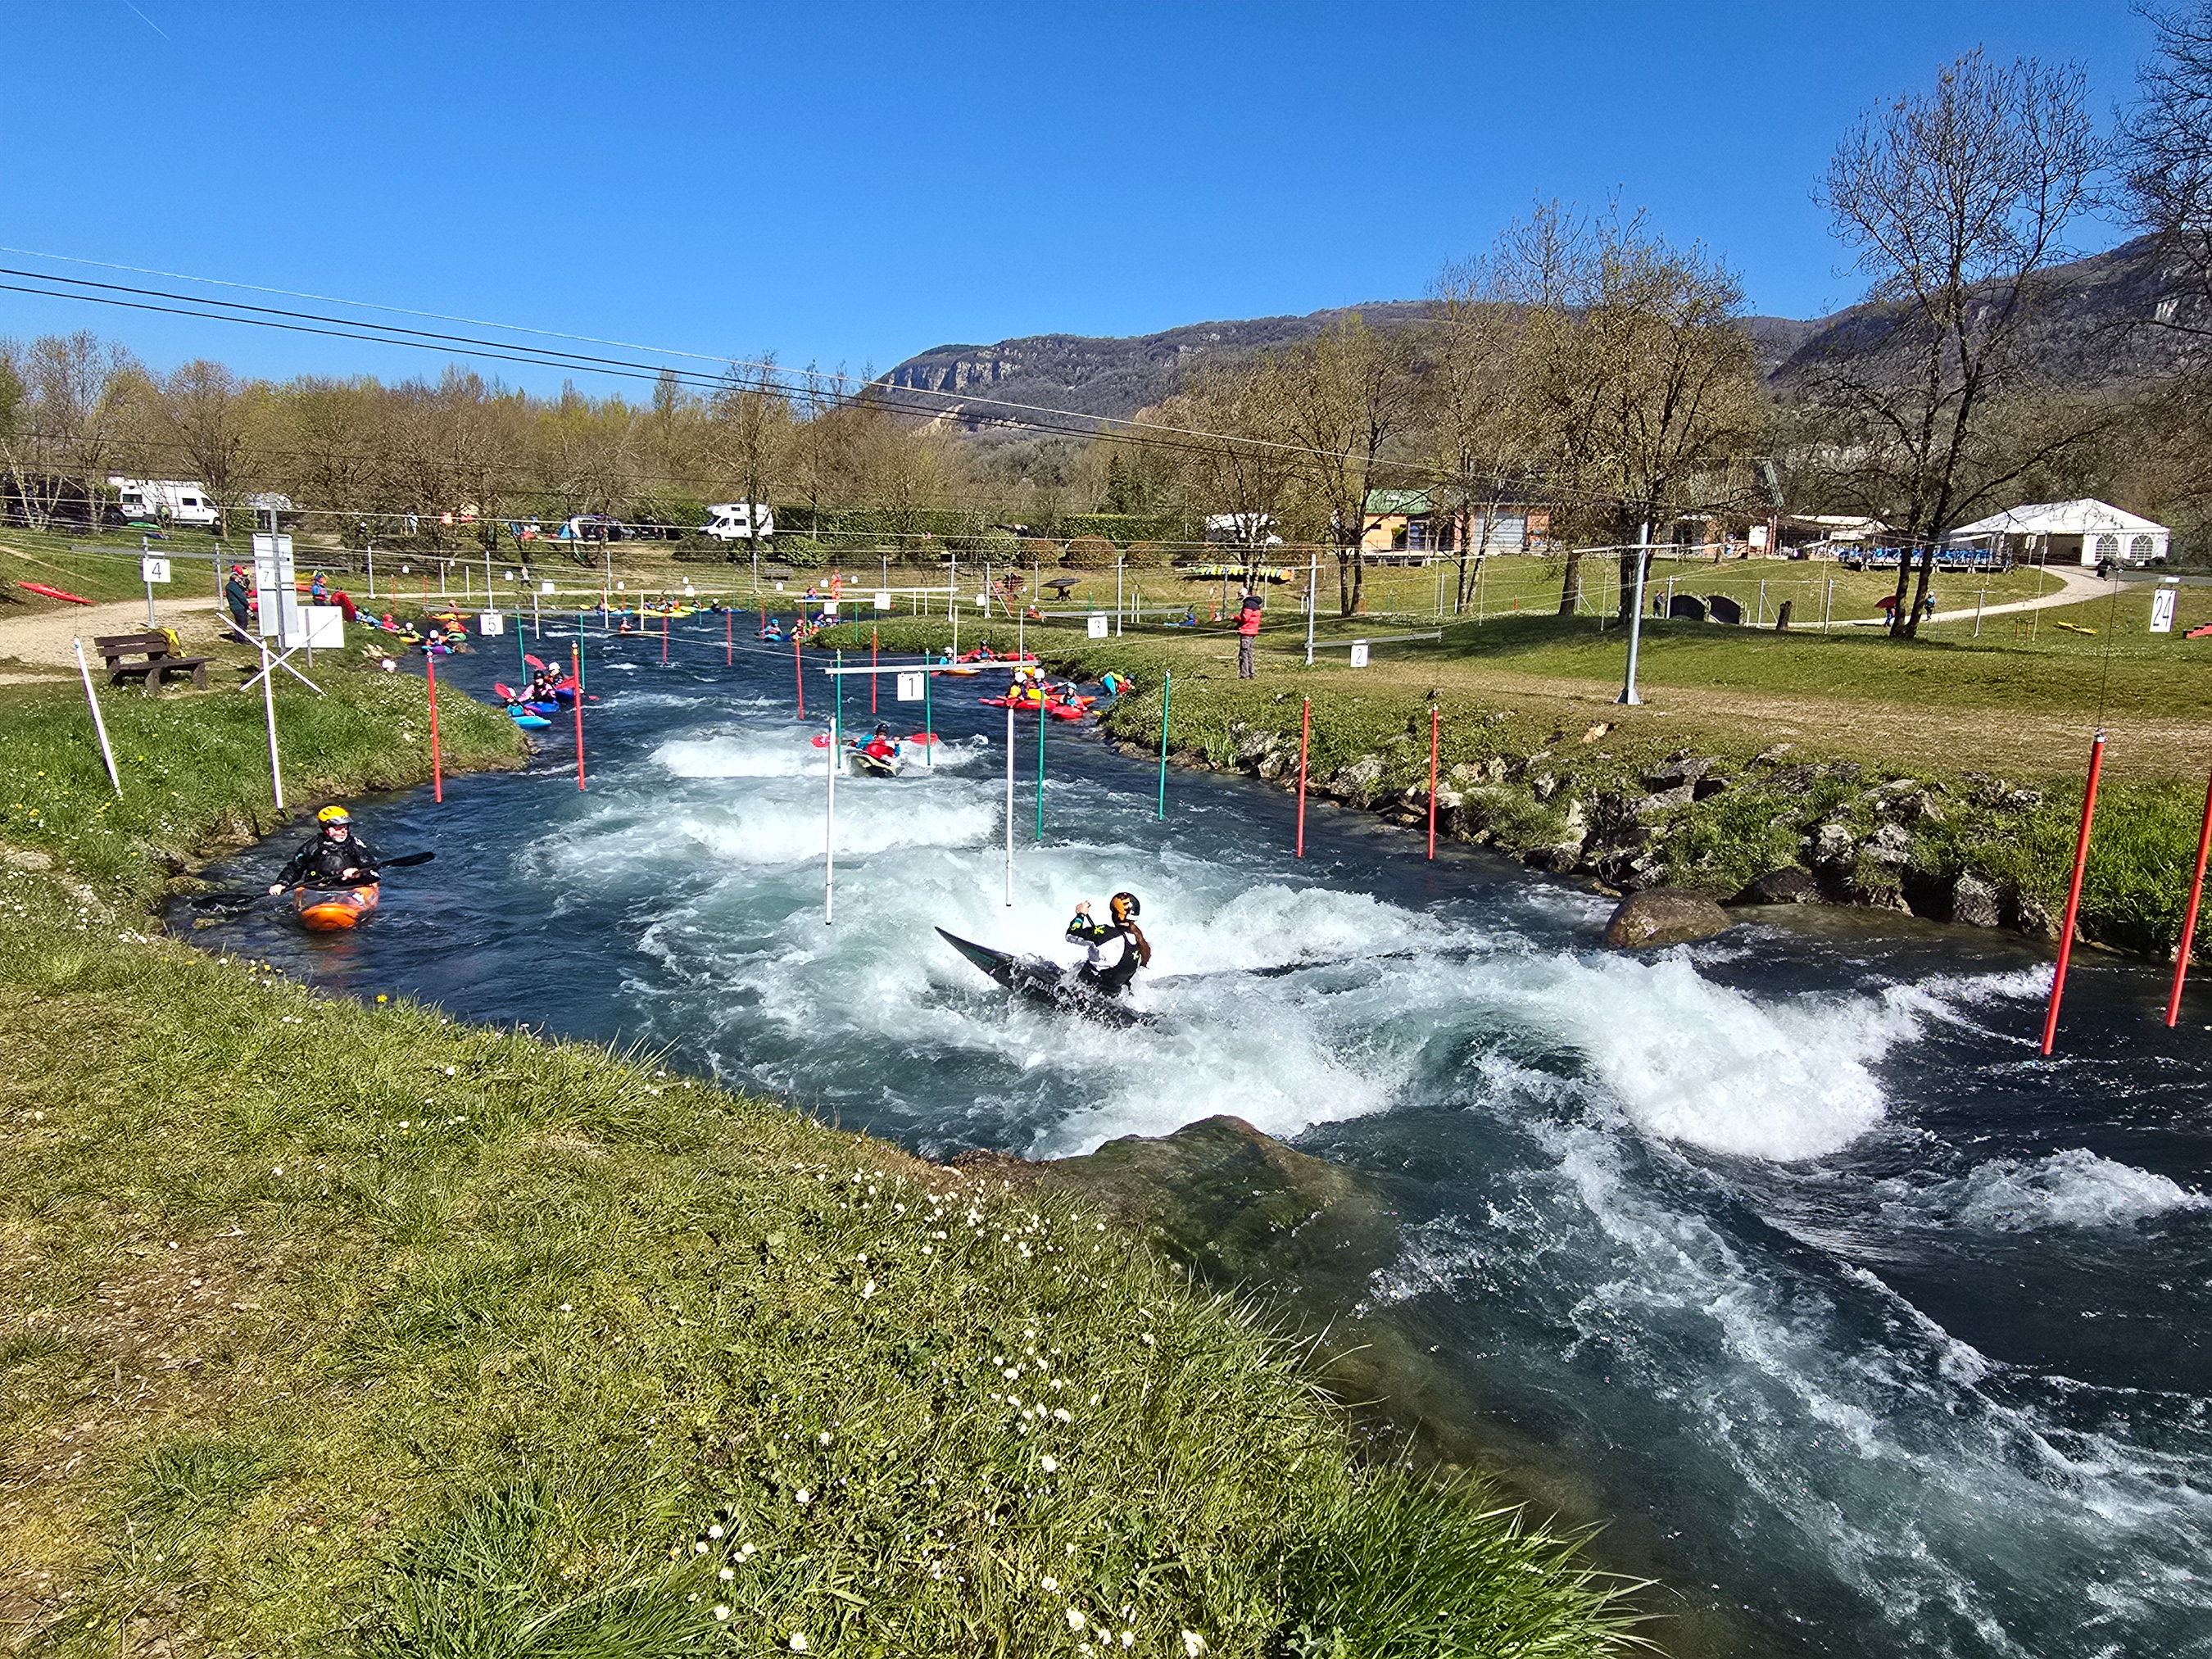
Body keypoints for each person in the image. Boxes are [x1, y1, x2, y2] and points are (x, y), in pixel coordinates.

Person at [268, 805, 380, 893]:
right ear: (326, 829)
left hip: (349, 889)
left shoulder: (354, 845)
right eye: (338, 828)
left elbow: (372, 871)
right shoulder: (312, 846)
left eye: (345, 827)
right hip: (317, 890)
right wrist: (281, 883)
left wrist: (358, 872)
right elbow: (295, 868)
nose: (343, 831)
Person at [1065, 891, 1151, 998]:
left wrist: (1080, 915)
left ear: (1116, 914)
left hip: (1086, 993)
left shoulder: (1106, 934)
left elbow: (1071, 934)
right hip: (1112, 997)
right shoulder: (1139, 944)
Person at [1235, 587, 1263, 678]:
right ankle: (1251, 673)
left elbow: (1245, 619)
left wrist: (1235, 618)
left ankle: (1245, 674)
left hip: (1246, 631)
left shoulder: (1247, 604)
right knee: (1249, 653)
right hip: (1253, 631)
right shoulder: (1256, 604)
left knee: (1244, 654)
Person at [224, 564, 253, 634]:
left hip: (235, 607)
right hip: (238, 607)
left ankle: (238, 637)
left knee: (239, 623)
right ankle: (241, 638)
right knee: (243, 623)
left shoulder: (231, 585)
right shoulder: (233, 586)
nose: (241, 579)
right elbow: (241, 597)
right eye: (240, 578)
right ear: (236, 578)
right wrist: (247, 605)